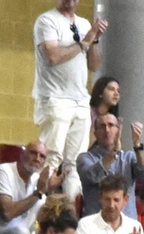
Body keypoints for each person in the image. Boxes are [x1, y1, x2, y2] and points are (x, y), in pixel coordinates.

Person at [31, 0, 105, 199]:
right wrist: (84, 42)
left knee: (76, 163)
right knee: (51, 157)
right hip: (55, 98)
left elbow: (94, 65)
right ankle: (38, 206)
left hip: (80, 100)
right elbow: (52, 57)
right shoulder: (47, 20)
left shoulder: (84, 24)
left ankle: (70, 210)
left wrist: (95, 40)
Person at [77, 114, 144, 219]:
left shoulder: (128, 157)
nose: (107, 130)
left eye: (111, 125)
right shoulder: (85, 158)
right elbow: (92, 177)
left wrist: (137, 145)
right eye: (102, 126)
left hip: (127, 222)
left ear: (118, 130)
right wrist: (113, 152)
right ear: (95, 133)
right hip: (95, 223)